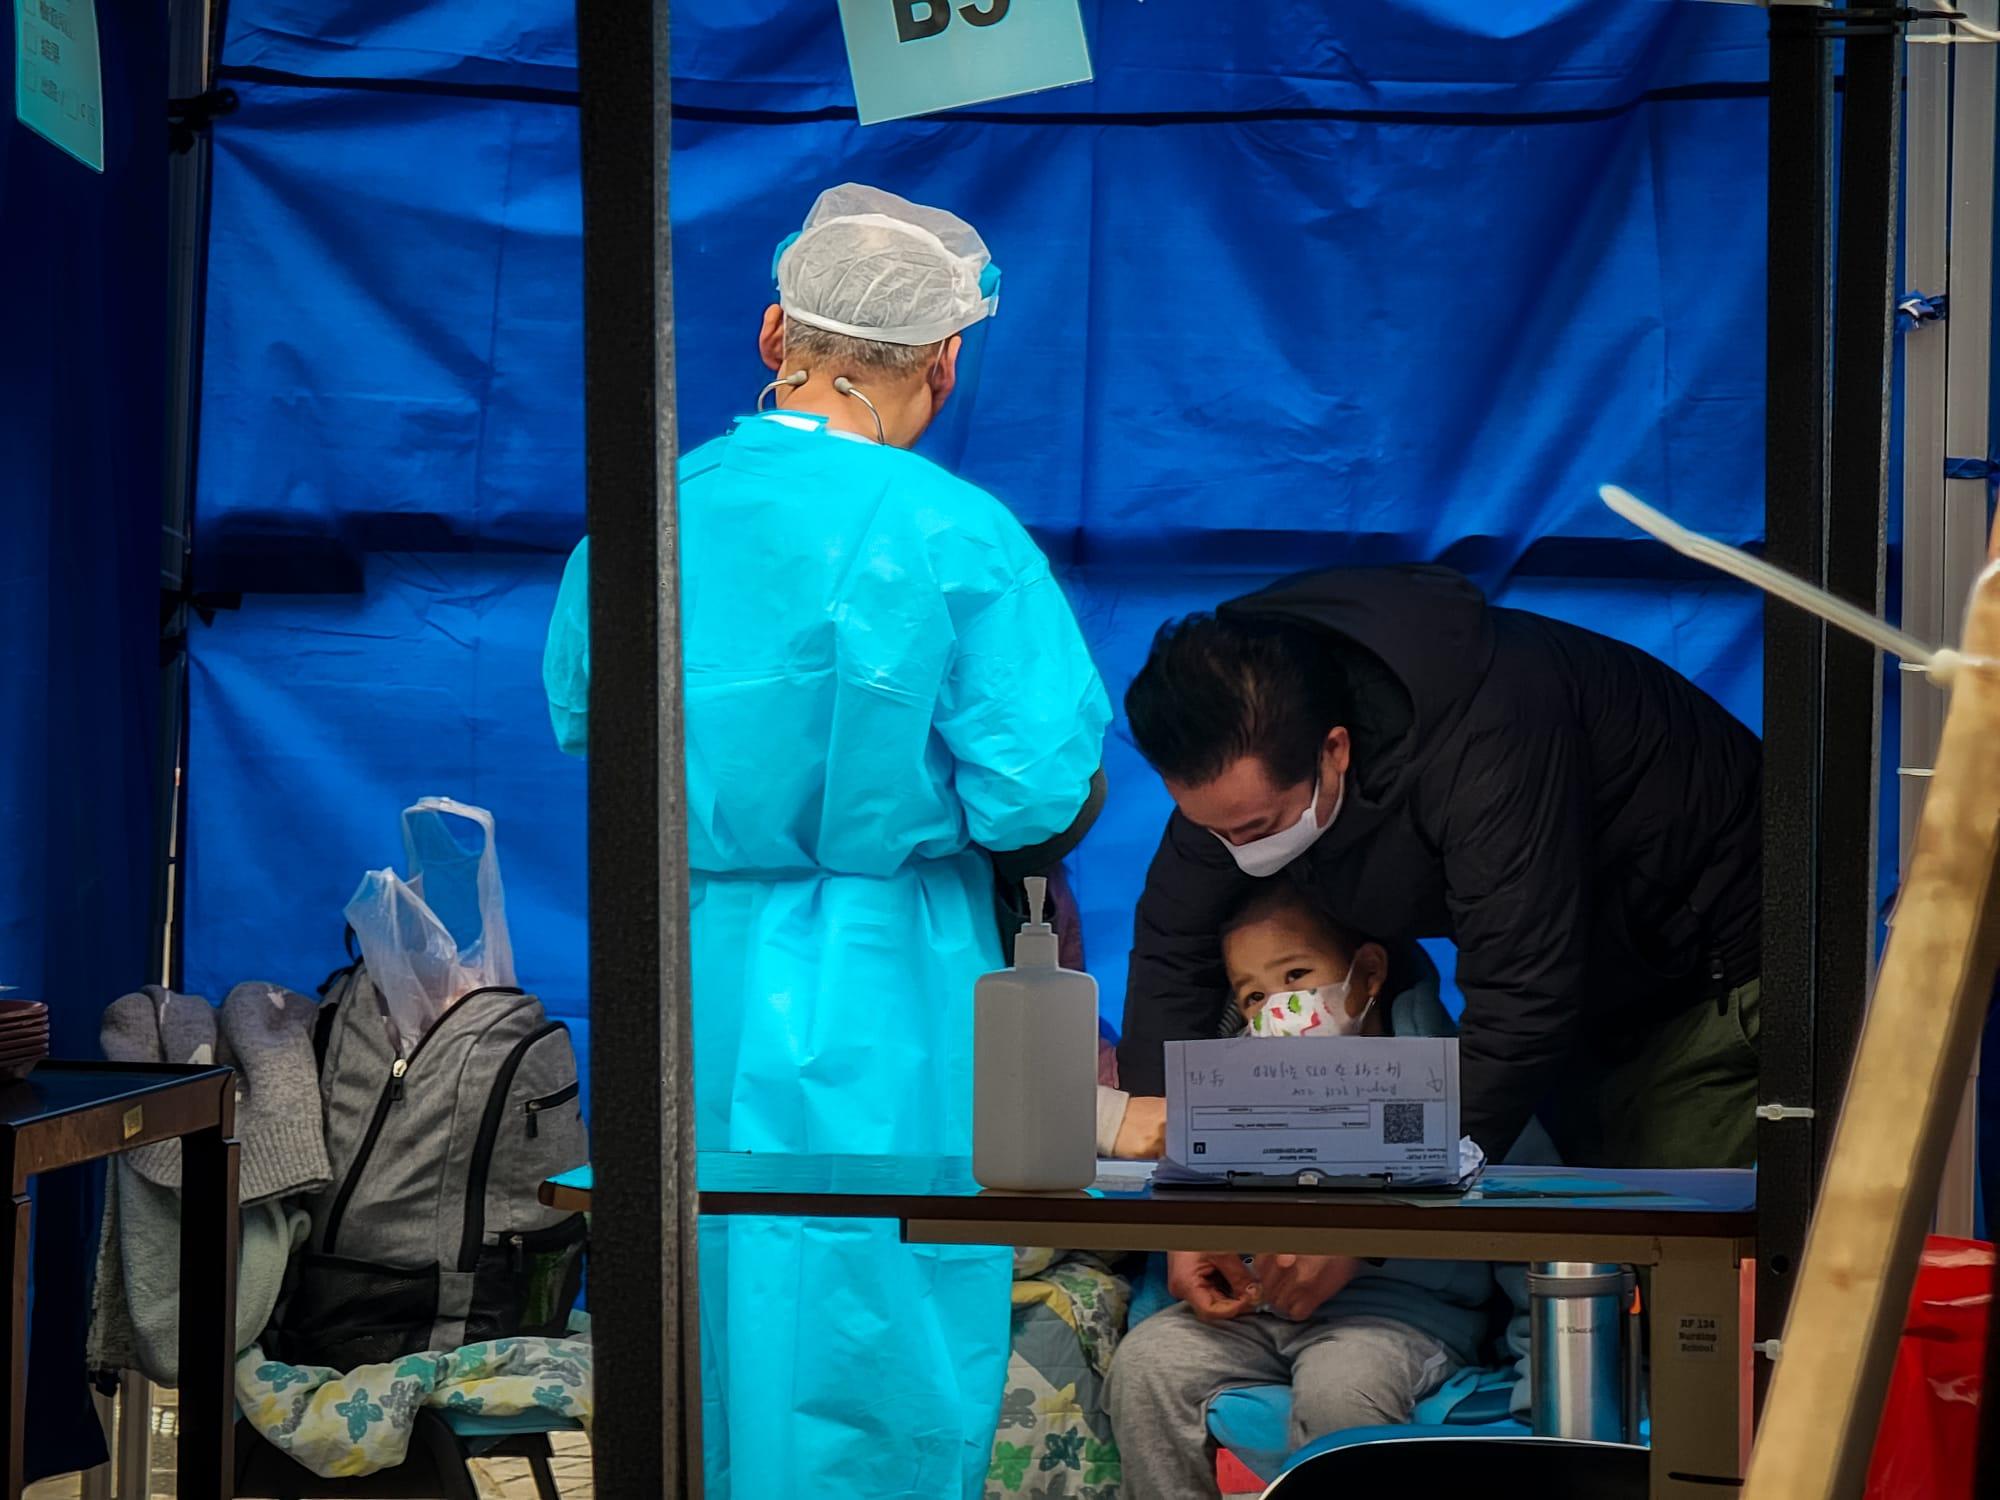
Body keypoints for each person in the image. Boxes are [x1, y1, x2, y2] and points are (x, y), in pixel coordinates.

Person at [543, 184, 1111, 1499]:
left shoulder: (645, 517)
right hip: (887, 982)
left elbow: (584, 719)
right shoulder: (957, 535)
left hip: (685, 971)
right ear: (946, 363)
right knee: (873, 1320)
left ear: (771, 334)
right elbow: (1035, 792)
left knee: (695, 1297)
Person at [1118, 564, 1762, 1169]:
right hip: (1586, 1001)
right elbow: (1173, 948)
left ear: (1334, 750)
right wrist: (1167, 1154)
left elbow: (1522, 1002)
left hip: (1714, 971)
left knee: (1665, 1223)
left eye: (1256, 829)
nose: (1233, 848)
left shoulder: (1486, 739)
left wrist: (1380, 1195)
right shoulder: (1236, 760)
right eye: (1210, 828)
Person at [1106, 884, 1494, 1495]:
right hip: (1259, 1314)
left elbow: (1517, 1203)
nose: (1278, 1008)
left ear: (1369, 973)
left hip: (1397, 1319)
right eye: (1254, 995)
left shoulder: (1447, 1085)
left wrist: (1532, 1359)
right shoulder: (1232, 1099)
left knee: (1341, 1390)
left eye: (1295, 975)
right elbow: (1192, 1193)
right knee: (1145, 1363)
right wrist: (1194, 1241)